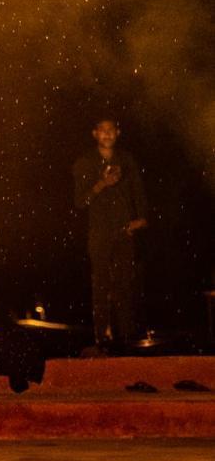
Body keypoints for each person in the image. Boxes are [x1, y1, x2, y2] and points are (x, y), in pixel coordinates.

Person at [73, 117, 148, 351]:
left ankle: (125, 333)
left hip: (124, 230)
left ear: (118, 133)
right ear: (94, 133)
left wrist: (141, 219)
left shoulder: (126, 160)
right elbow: (80, 201)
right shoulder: (85, 162)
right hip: (99, 232)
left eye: (111, 130)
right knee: (101, 284)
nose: (107, 134)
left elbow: (138, 190)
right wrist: (102, 183)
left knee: (125, 282)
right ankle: (102, 335)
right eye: (102, 130)